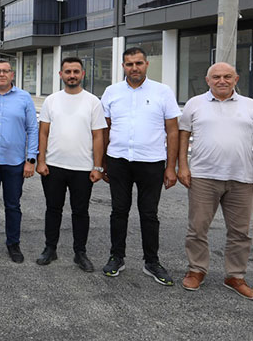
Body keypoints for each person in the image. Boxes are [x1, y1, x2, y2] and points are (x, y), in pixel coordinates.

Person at [101, 47, 180, 286]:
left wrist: (171, 167)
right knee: (118, 211)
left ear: (146, 64)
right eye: (129, 64)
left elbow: (173, 131)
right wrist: (102, 162)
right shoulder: (111, 92)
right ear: (123, 67)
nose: (134, 68)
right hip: (118, 160)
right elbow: (105, 128)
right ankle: (117, 257)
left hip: (151, 162)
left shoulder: (162, 91)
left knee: (149, 213)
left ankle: (152, 262)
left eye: (138, 63)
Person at [177, 62, 253, 299]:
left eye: (227, 76)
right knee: (197, 228)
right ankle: (196, 270)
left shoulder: (250, 105)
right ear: (207, 80)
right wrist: (183, 166)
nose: (222, 81)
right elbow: (183, 135)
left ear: (236, 79)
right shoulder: (194, 104)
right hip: (204, 176)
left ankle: (235, 276)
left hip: (242, 177)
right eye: (216, 77)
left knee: (240, 232)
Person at [35, 57, 106, 272]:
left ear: (82, 74)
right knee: (53, 209)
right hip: (53, 166)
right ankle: (50, 248)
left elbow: (98, 136)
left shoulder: (93, 102)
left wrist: (98, 167)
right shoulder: (51, 101)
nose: (72, 75)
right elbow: (43, 133)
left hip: (83, 169)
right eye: (68, 72)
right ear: (61, 75)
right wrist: (41, 161)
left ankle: (80, 253)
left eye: (76, 71)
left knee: (80, 212)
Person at [0, 58, 38, 264]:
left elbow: (32, 129)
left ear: (12, 74)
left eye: (6, 71)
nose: (2, 74)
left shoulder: (24, 98)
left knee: (13, 205)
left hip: (15, 162)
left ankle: (13, 243)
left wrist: (31, 159)